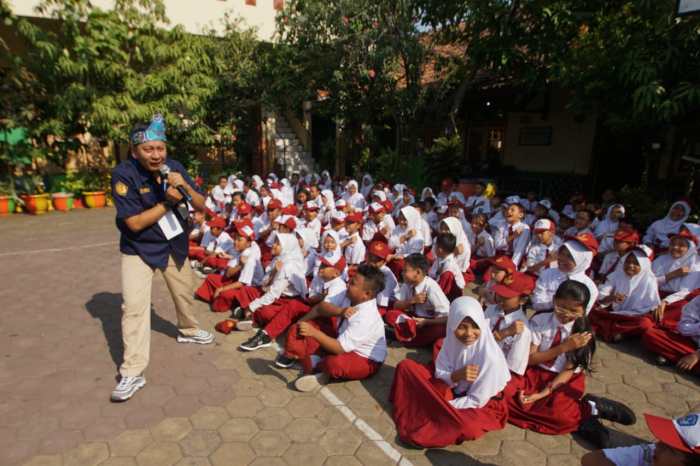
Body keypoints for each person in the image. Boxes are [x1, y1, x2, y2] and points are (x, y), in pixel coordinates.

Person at [109, 114, 214, 402]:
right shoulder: (123, 175)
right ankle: (132, 371)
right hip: (139, 247)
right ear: (134, 151)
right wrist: (168, 201)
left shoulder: (175, 168)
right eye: (148, 149)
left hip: (173, 243)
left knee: (184, 292)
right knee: (133, 307)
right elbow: (134, 224)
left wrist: (185, 187)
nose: (156, 155)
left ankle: (189, 329)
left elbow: (203, 204)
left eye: (160, 148)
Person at [505, 280, 636, 448]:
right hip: (534, 372)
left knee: (559, 415)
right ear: (554, 301)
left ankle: (589, 409)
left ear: (583, 310)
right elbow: (530, 359)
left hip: (562, 379)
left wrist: (541, 394)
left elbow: (568, 371)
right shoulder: (540, 320)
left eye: (573, 310)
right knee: (506, 396)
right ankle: (586, 411)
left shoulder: (583, 333)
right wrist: (563, 347)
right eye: (561, 307)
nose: (565, 314)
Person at [389, 297, 511, 448]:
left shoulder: (490, 357)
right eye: (462, 327)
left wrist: (441, 404)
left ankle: (426, 408)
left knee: (467, 427)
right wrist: (456, 376)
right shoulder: (450, 340)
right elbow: (440, 374)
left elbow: (477, 400)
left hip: (481, 404)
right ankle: (430, 408)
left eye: (475, 327)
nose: (469, 334)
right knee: (406, 367)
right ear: (452, 325)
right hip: (451, 390)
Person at [284, 264, 387, 392]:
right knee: (303, 326)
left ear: (366, 294)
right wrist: (340, 311)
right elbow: (321, 307)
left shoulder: (367, 317)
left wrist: (315, 333)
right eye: (350, 280)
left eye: (353, 283)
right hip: (341, 339)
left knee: (333, 364)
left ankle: (320, 369)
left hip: (365, 358)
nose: (347, 284)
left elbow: (339, 348)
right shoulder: (348, 294)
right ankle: (312, 364)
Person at [238, 233, 309, 351]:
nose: (273, 245)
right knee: (248, 291)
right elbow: (264, 283)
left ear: (286, 247)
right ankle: (251, 316)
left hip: (287, 301)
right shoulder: (279, 259)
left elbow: (273, 294)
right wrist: (274, 272)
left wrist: (251, 306)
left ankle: (263, 334)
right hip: (275, 295)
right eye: (275, 242)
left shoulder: (289, 266)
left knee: (265, 311)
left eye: (278, 244)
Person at [590, 246, 661, 342]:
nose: (630, 265)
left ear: (643, 265)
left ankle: (615, 331)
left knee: (645, 323)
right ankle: (618, 331)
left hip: (634, 317)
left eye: (636, 263)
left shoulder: (649, 280)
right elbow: (601, 296)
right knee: (591, 309)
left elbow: (652, 305)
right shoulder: (616, 275)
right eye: (628, 262)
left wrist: (655, 308)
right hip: (613, 313)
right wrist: (612, 298)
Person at [581, 411, 700, 466]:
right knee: (604, 438)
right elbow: (590, 460)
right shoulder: (653, 452)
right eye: (664, 440)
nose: (658, 445)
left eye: (671, 448)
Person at [194, 220, 264, 313]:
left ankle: (236, 307)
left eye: (239, 240)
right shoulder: (241, 251)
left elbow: (242, 283)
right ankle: (213, 298)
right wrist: (239, 265)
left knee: (224, 294)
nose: (235, 242)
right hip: (238, 278)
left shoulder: (250, 256)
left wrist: (221, 288)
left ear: (248, 243)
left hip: (251, 287)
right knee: (212, 278)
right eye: (235, 239)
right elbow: (228, 273)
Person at [385, 253, 450, 347]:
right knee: (390, 315)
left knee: (440, 330)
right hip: (413, 320)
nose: (402, 273)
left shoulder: (431, 288)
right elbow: (396, 305)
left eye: (405, 270)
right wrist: (412, 301)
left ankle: (407, 338)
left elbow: (447, 317)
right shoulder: (407, 283)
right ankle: (411, 336)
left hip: (430, 323)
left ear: (418, 272)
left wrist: (425, 322)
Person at [531, 232, 599, 315]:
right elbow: (536, 304)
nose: (562, 259)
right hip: (541, 321)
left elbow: (581, 316)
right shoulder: (548, 274)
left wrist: (554, 303)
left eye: (570, 257)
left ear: (582, 261)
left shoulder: (589, 287)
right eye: (561, 253)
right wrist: (559, 303)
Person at [484, 272, 535, 376]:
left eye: (506, 297)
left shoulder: (523, 330)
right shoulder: (492, 309)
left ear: (523, 300)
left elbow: (512, 367)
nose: (500, 299)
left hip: (496, 372)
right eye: (499, 294)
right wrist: (505, 333)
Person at [643, 294, 700, 374]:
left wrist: (696, 355)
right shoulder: (698, 300)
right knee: (652, 335)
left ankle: (677, 359)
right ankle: (688, 364)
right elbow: (683, 327)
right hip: (691, 342)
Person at [429, 232, 466, 301]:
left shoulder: (449, 266)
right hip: (441, 283)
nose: (434, 248)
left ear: (440, 250)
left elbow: (443, 285)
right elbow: (432, 273)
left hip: (452, 292)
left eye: (435, 246)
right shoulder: (440, 257)